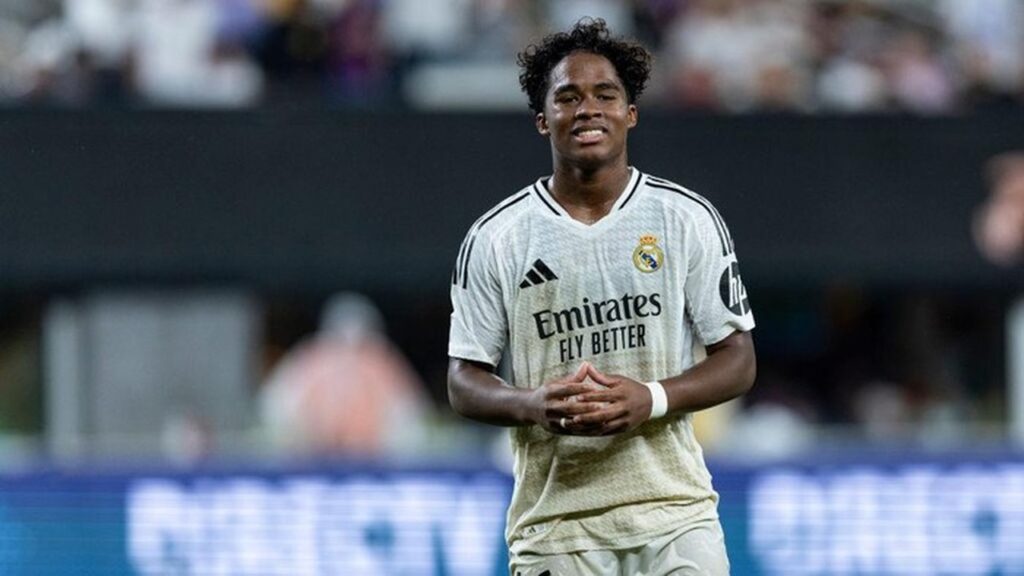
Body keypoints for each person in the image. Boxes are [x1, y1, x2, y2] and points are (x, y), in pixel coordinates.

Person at [447, 18, 757, 575]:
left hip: (674, 515)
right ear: (543, 120)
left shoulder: (684, 218)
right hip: (556, 528)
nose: (587, 109)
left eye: (605, 95)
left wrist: (651, 398)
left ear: (630, 113)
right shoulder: (497, 237)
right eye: (568, 97)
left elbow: (738, 359)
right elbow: (463, 380)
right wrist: (532, 404)